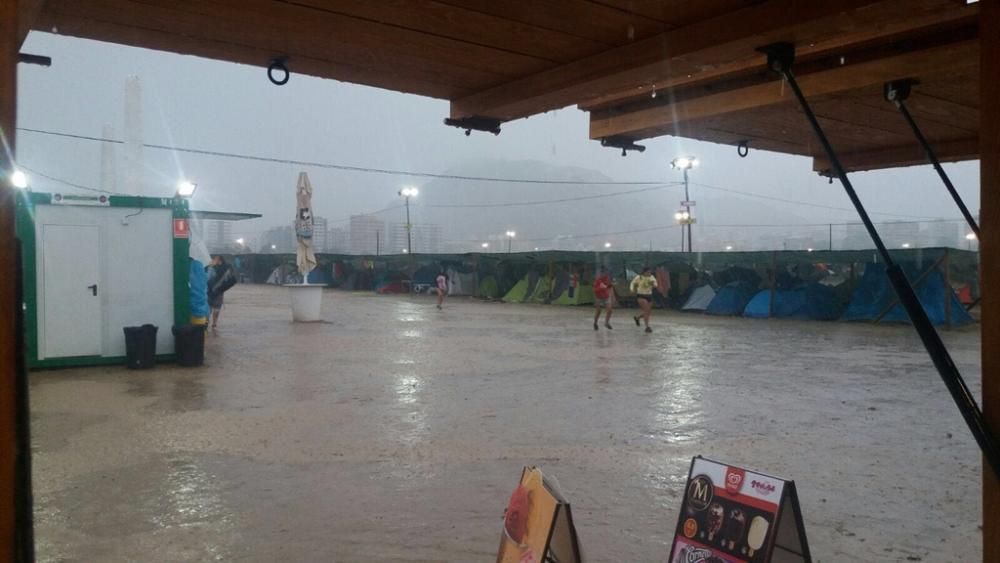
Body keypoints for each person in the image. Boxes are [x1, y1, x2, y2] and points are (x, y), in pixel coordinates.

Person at [206, 256, 235, 329]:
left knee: (216, 308)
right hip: (210, 290)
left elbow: (228, 277)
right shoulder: (210, 267)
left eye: (214, 258)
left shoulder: (224, 267)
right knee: (209, 308)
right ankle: (207, 322)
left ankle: (214, 323)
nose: (213, 260)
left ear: (219, 259)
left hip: (218, 291)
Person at [630, 266, 658, 333]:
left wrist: (653, 284)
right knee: (646, 310)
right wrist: (632, 289)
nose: (649, 273)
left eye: (650, 272)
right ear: (644, 272)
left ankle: (637, 318)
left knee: (648, 312)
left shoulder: (651, 277)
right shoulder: (639, 277)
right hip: (641, 295)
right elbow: (632, 283)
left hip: (649, 296)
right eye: (648, 272)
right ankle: (647, 326)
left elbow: (656, 284)